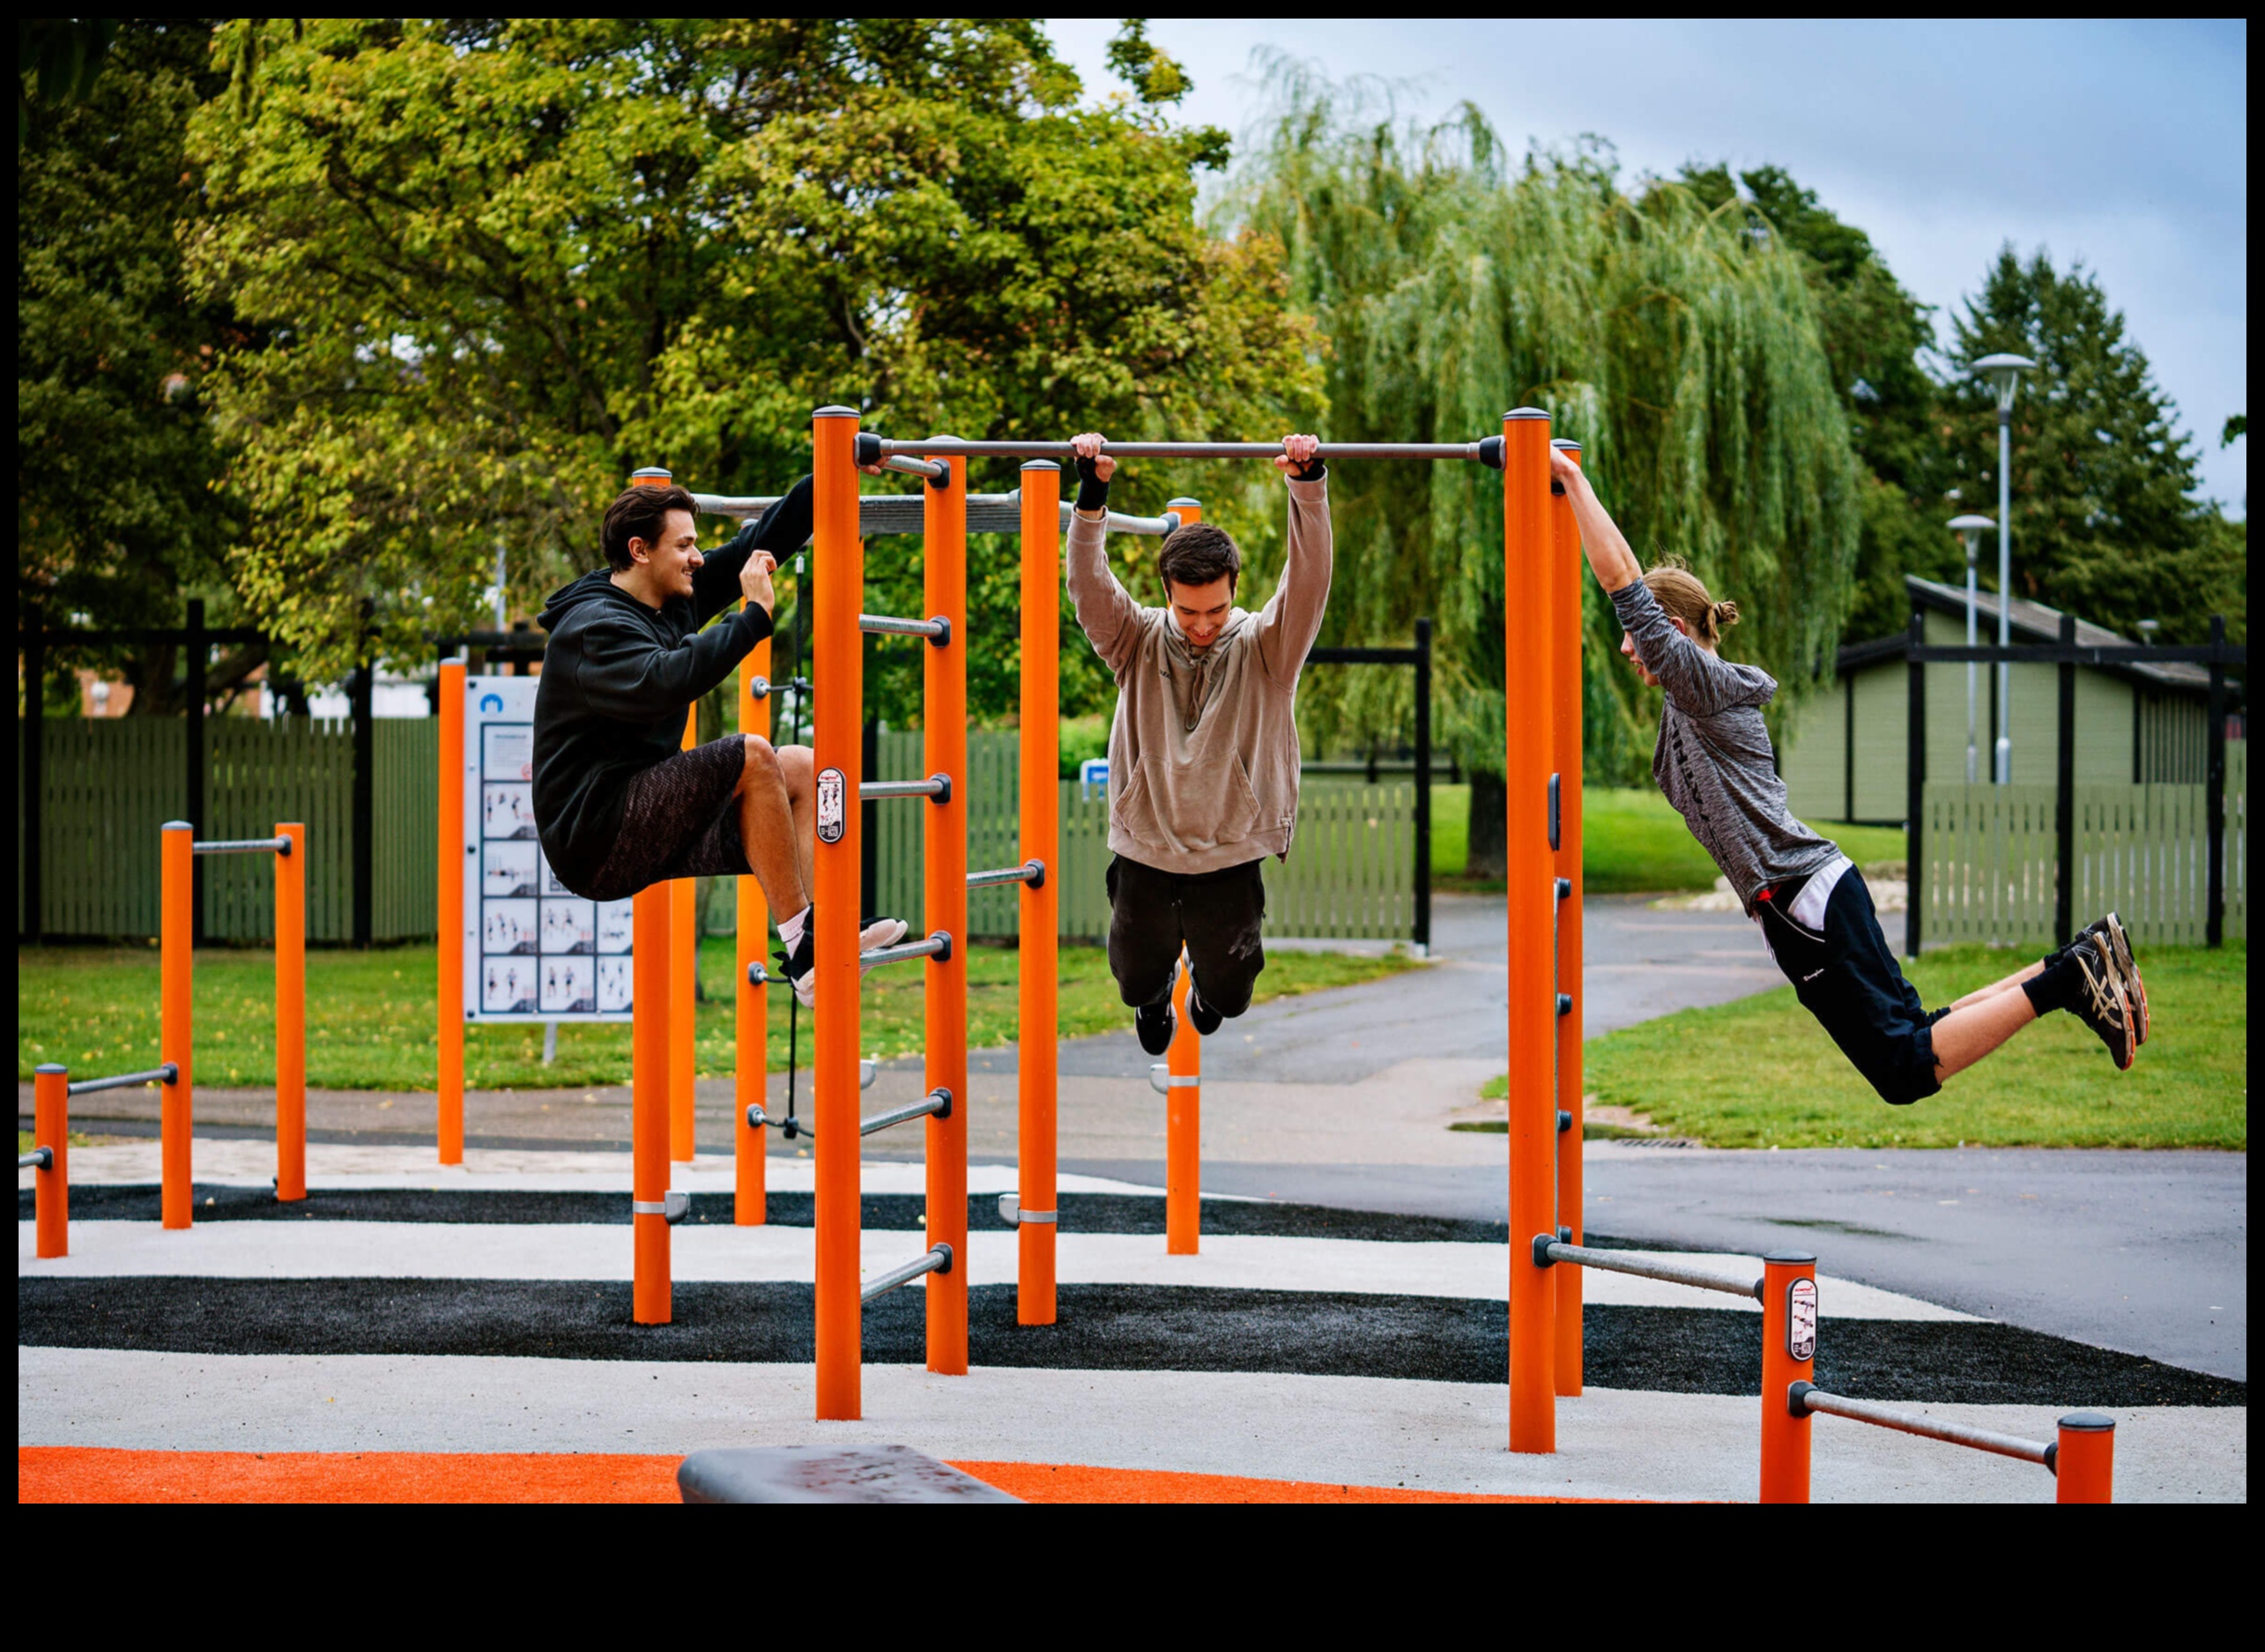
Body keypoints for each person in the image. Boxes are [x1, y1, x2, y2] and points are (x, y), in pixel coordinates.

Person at [1549, 444, 2148, 1103]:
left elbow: (1623, 584)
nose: (1627, 648)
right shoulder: (1687, 697)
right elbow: (1633, 604)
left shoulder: (1701, 683)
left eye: (1638, 636)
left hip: (1800, 899)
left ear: (1671, 627)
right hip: (1808, 893)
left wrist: (1571, 479)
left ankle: (2071, 977)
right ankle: (2076, 962)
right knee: (1916, 1037)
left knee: (1904, 1068)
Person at [533, 474, 902, 1008]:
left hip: (646, 811)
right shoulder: (593, 630)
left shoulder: (671, 597)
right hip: (595, 835)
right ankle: (805, 951)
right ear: (640, 551)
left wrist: (831, 470)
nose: (697, 557)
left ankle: (820, 941)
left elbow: (759, 543)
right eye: (684, 545)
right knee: (752, 754)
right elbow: (666, 680)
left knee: (799, 766)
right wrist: (753, 617)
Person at [1066, 431, 1332, 1055]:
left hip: (1228, 851)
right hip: (1148, 845)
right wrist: (1091, 495)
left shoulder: (1268, 650)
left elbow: (1309, 579)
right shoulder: (1134, 641)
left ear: (1234, 588)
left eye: (1215, 609)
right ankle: (1157, 994)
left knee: (1232, 991)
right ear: (1167, 595)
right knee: (1132, 980)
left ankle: (1204, 995)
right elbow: (1088, 585)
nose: (1204, 625)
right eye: (1189, 612)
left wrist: (1307, 486)